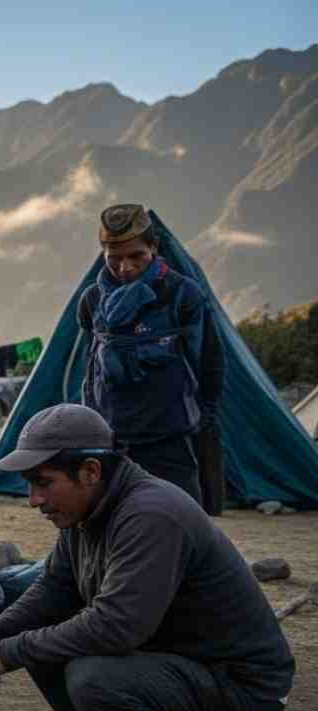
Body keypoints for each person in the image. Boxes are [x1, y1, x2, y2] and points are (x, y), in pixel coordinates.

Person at [0, 404, 292, 711]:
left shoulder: (150, 514)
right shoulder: (84, 513)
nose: (34, 499)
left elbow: (117, 627)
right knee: (40, 646)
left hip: (243, 689)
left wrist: (11, 651)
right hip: (181, 667)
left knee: (94, 676)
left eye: (43, 483)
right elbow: (54, 589)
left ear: (90, 471)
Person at [78, 203, 225, 505]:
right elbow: (89, 365)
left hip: (168, 438)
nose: (125, 267)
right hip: (111, 438)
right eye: (114, 259)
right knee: (112, 523)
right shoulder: (92, 300)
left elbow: (209, 360)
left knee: (180, 519)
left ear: (154, 248)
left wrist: (203, 416)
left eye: (136, 256)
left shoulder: (183, 295)